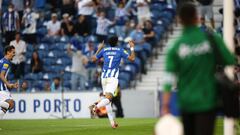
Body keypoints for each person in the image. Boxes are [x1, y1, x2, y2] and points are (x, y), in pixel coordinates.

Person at [161, 3, 236, 135]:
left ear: (179, 20)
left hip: (186, 101)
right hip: (207, 99)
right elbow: (230, 60)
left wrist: (165, 105)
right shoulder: (211, 39)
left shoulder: (176, 46)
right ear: (196, 18)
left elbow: (168, 79)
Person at [89, 36, 135, 128]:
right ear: (117, 42)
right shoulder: (120, 50)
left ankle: (112, 123)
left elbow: (93, 59)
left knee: (108, 102)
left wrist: (99, 48)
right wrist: (132, 47)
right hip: (112, 78)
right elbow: (132, 58)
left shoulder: (104, 50)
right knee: (109, 99)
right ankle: (95, 106)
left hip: (104, 77)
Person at [0, 46, 18, 119]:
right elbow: (1, 75)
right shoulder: (6, 62)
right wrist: (8, 84)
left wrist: (11, 85)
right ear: (8, 52)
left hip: (2, 87)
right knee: (11, 104)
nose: (14, 54)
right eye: (13, 52)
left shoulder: (1, 60)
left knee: (6, 106)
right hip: (2, 88)